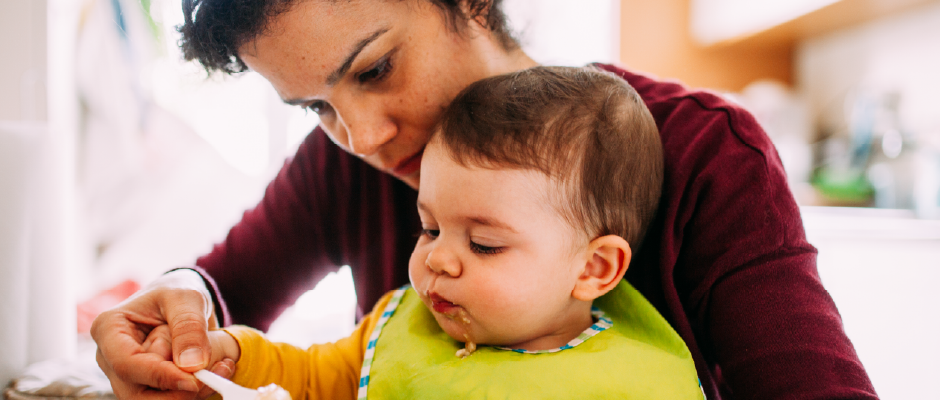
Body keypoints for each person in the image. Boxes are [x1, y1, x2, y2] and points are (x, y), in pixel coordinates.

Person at [91, 0, 878, 399]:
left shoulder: (703, 151)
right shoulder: (343, 167)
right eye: (313, 107)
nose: (360, 137)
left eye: (371, 71)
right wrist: (180, 309)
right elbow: (226, 291)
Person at [142, 66, 704, 399]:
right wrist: (230, 357)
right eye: (429, 228)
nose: (438, 260)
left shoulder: (634, 383)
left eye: (483, 243)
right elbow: (314, 377)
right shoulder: (397, 324)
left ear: (593, 268)